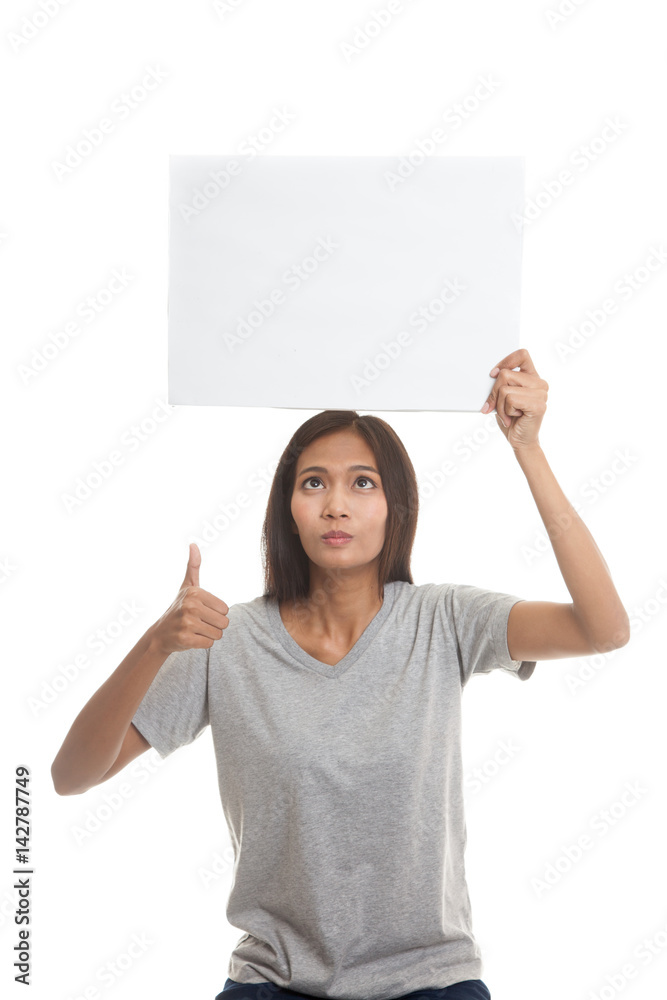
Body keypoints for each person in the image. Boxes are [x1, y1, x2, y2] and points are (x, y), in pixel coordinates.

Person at [51, 349, 630, 1000]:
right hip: (273, 983)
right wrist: (154, 645)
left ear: (396, 506)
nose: (335, 505)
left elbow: (603, 629)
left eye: (362, 482)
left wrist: (527, 450)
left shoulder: (442, 619)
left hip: (430, 982)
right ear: (287, 508)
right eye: (312, 483)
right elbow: (71, 776)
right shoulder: (224, 638)